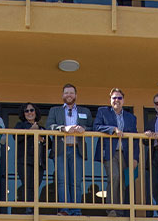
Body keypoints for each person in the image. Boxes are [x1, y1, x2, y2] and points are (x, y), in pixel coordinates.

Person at [45, 83, 93, 216]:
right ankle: (65, 209)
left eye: (71, 93)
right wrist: (62, 128)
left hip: (77, 149)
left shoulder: (85, 111)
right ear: (62, 95)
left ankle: (76, 210)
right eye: (66, 93)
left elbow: (91, 127)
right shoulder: (55, 110)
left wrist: (84, 129)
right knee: (62, 180)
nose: (69, 95)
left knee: (76, 182)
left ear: (76, 95)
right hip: (61, 149)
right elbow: (49, 126)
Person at [93, 88, 139, 217]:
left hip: (125, 153)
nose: (116, 100)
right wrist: (113, 129)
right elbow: (96, 126)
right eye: (114, 98)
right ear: (110, 100)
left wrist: (135, 158)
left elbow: (135, 138)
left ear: (123, 100)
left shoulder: (131, 117)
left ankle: (120, 210)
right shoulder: (103, 112)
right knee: (114, 176)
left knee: (123, 181)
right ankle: (111, 209)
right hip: (110, 152)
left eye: (119, 98)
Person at [14, 103, 46, 213]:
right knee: (27, 185)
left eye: (31, 110)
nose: (29, 113)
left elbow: (49, 143)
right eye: (26, 111)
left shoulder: (42, 128)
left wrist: (42, 138)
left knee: (35, 186)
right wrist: (32, 131)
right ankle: (29, 209)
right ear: (23, 114)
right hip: (24, 161)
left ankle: (34, 208)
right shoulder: (20, 125)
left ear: (35, 112)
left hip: (39, 162)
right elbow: (16, 137)